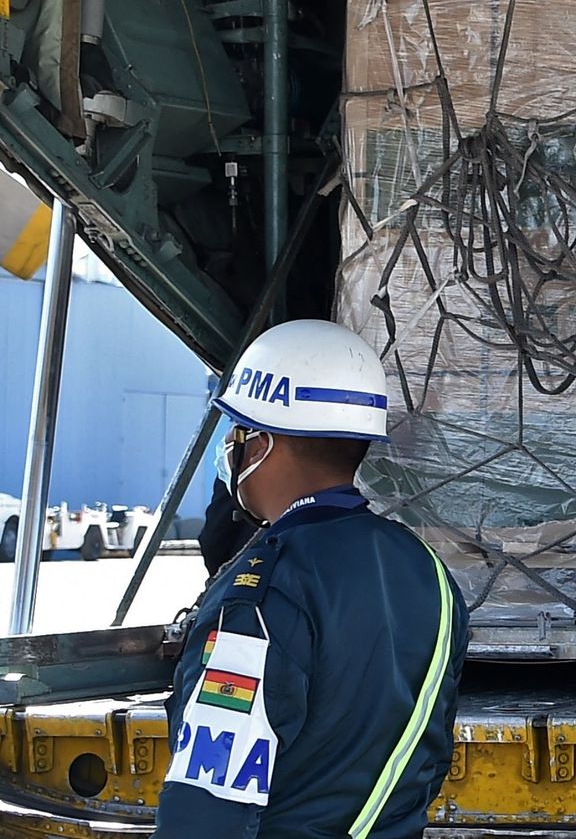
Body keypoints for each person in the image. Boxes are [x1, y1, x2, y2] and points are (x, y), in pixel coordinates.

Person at [155, 320, 468, 838]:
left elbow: (212, 793)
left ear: (260, 445)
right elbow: (424, 759)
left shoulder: (264, 593)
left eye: (237, 432)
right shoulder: (427, 570)